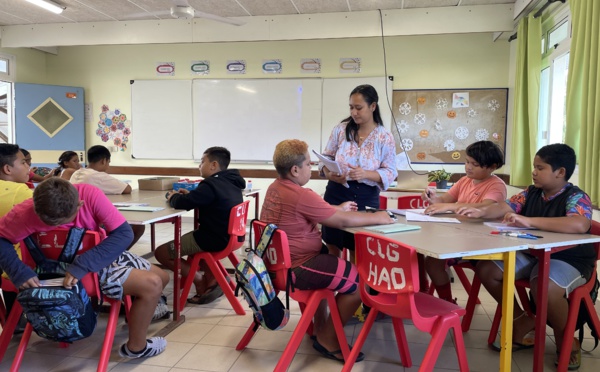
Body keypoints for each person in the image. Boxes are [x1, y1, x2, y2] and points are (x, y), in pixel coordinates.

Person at [457, 143, 594, 370]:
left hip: (571, 259)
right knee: (487, 269)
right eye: (534, 167)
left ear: (560, 172)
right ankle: (522, 320)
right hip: (534, 254)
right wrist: (480, 211)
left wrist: (528, 221)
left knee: (544, 285)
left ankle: (566, 339)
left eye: (540, 168)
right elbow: (504, 206)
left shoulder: (576, 196)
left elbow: (579, 223)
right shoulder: (531, 193)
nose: (533, 172)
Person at [0, 178, 170, 359]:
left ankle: (138, 313)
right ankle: (137, 347)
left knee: (163, 276)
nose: (56, 227)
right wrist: (17, 271)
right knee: (153, 284)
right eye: (50, 223)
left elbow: (124, 233)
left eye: (62, 221)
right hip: (61, 274)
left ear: (79, 205)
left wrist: (83, 264)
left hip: (90, 260)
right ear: (35, 206)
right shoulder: (25, 210)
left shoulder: (90, 195)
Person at [261, 139, 394, 362]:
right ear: (295, 170)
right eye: (308, 164)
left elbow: (314, 210)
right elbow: (341, 222)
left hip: (277, 267)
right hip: (297, 268)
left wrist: (335, 208)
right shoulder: (301, 194)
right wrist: (377, 217)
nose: (311, 166)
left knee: (332, 263)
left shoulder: (276, 188)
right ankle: (327, 337)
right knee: (359, 282)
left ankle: (320, 327)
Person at [154, 147, 245, 305]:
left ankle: (199, 279)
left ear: (213, 165)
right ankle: (212, 280)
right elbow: (205, 198)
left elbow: (182, 203)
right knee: (194, 249)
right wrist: (192, 196)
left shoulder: (211, 184)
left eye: (202, 162)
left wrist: (173, 196)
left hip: (212, 238)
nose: (199, 166)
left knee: (161, 252)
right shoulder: (232, 181)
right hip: (232, 237)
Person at [421, 140, 506, 303]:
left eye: (475, 164)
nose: (468, 167)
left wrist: (449, 206)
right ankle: (430, 296)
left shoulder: (496, 185)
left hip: (481, 242)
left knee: (432, 262)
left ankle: (446, 302)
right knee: (422, 254)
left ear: (492, 166)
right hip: (459, 237)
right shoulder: (465, 181)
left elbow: (485, 207)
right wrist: (432, 197)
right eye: (467, 162)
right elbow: (444, 199)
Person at [319, 84, 397, 257]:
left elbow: (391, 171)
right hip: (336, 193)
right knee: (333, 246)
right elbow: (325, 158)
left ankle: (358, 285)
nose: (354, 112)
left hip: (366, 197)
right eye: (351, 107)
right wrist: (329, 172)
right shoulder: (340, 129)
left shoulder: (384, 136)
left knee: (360, 249)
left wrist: (366, 174)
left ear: (373, 106)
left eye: (359, 108)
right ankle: (338, 282)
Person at [70, 145, 146, 250]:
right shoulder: (98, 176)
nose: (108, 166)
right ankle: (118, 253)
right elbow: (127, 189)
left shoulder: (76, 173)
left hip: (72, 218)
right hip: (92, 220)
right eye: (108, 162)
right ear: (104, 161)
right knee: (138, 226)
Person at [0, 144, 34, 323]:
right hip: (14, 268)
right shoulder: (19, 191)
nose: (29, 167)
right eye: (24, 162)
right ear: (7, 169)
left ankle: (14, 321)